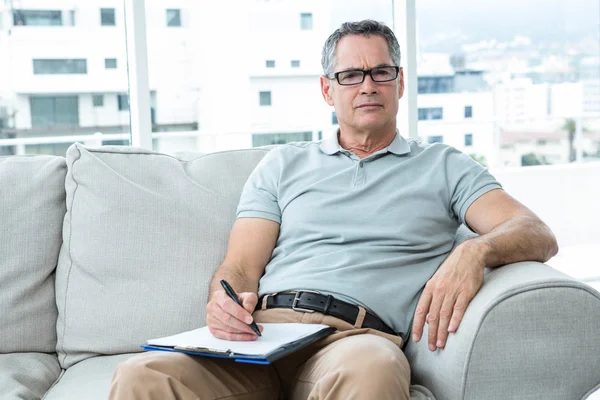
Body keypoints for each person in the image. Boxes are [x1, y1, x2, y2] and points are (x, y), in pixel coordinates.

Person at [109, 20, 558, 400]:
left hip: (354, 341)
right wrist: (222, 303)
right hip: (261, 337)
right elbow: (241, 266)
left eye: (381, 72)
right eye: (350, 75)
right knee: (141, 376)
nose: (367, 85)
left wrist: (474, 253)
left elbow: (535, 232)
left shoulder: (443, 166)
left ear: (400, 83)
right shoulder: (283, 164)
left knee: (374, 369)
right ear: (327, 90)